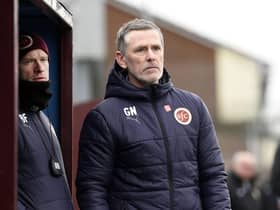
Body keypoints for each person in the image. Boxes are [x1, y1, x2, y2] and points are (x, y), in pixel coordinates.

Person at [76, 18, 231, 210]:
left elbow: (213, 175)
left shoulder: (193, 106)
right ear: (121, 59)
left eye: (156, 48)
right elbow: (91, 188)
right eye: (141, 50)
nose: (151, 56)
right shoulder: (104, 117)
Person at [17, 34, 74, 210]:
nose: (39, 68)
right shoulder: (6, 118)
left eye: (43, 59)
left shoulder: (42, 116)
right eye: (28, 61)